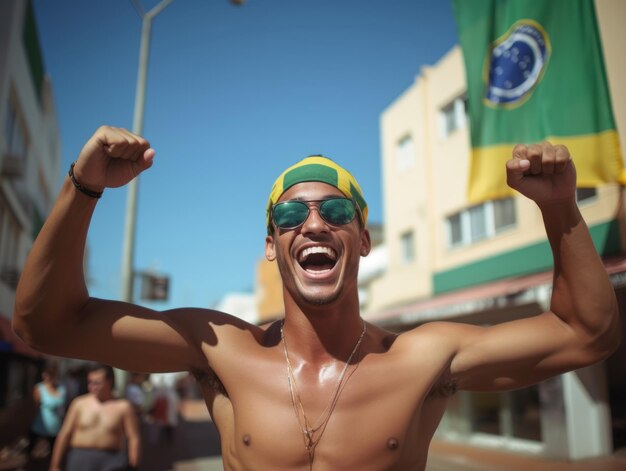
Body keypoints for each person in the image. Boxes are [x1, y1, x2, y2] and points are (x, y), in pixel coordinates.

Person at [13, 126, 620, 470]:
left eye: (334, 211)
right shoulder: (221, 349)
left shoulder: (421, 358)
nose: (313, 225)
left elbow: (585, 334)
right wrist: (83, 187)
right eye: (289, 216)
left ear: (362, 238)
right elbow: (46, 325)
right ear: (273, 245)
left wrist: (560, 205)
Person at [48, 363, 141, 471]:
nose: (91, 387)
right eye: (90, 382)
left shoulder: (123, 407)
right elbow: (64, 434)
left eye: (97, 383)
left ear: (109, 381)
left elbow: (133, 438)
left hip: (111, 462)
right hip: (80, 459)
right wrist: (54, 465)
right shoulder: (79, 404)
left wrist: (134, 465)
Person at [27, 362, 66, 465]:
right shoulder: (39, 388)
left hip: (55, 428)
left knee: (53, 454)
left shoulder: (61, 388)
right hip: (39, 425)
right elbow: (34, 408)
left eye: (50, 374)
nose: (46, 376)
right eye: (45, 373)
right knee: (31, 450)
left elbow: (63, 408)